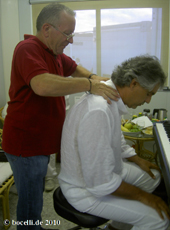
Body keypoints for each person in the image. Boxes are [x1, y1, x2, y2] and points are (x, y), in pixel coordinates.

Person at [1, 3, 119, 230]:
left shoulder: (54, 53)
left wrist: (99, 79)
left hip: (39, 144)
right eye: (67, 34)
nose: (71, 40)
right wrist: (89, 85)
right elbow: (42, 85)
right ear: (47, 29)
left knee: (34, 200)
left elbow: (75, 68)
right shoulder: (27, 49)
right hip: (25, 145)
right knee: (30, 203)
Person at [58, 55, 170, 230]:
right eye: (148, 94)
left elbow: (116, 138)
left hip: (107, 170)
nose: (148, 101)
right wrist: (144, 197)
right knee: (159, 219)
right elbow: (100, 182)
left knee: (152, 177)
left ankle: (116, 227)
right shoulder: (99, 110)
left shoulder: (111, 97)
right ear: (133, 83)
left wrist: (138, 159)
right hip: (84, 188)